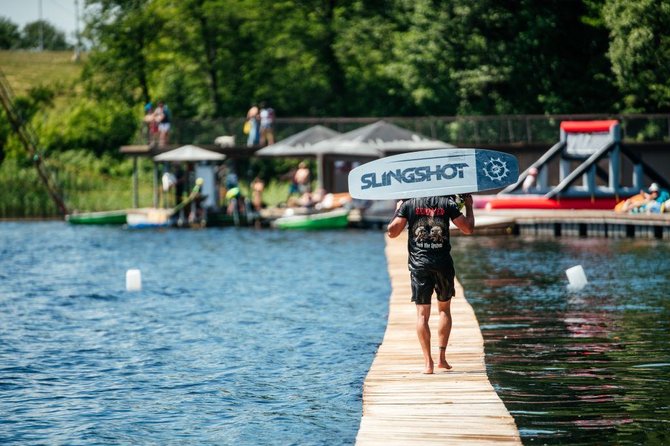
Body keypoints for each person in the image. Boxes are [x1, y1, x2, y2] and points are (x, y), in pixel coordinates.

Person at [387, 194, 475, 374]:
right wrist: (469, 205)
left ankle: (428, 363)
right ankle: (442, 359)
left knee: (421, 315)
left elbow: (392, 232)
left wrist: (398, 209)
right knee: (444, 310)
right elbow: (468, 229)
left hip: (419, 266)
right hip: (443, 264)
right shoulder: (447, 203)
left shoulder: (409, 204)